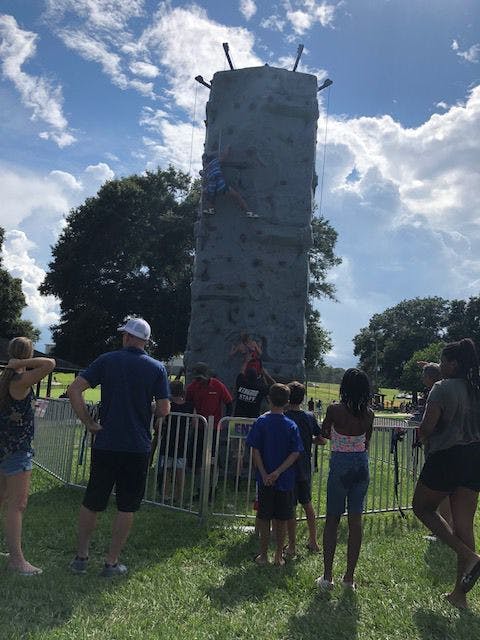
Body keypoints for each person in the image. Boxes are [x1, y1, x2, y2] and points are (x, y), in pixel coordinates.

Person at [68, 317, 170, 577]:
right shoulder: (157, 368)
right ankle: (111, 562)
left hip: (106, 441)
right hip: (137, 445)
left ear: (126, 337)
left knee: (92, 500)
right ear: (146, 342)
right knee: (127, 506)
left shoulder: (107, 360)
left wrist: (89, 422)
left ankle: (81, 557)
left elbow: (74, 389)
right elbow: (163, 409)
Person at [412, 339, 480, 609]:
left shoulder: (442, 388)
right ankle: (459, 595)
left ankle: (469, 555)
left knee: (421, 507)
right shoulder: (477, 389)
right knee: (465, 525)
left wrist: (422, 433)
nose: (440, 367)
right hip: (475, 458)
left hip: (446, 456)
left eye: (442, 362)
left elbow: (428, 427)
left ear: (453, 364)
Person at [0, 337, 55, 575]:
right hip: (17, 451)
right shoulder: (21, 380)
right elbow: (50, 363)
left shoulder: (6, 381)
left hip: (3, 449)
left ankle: (13, 554)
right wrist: (18, 363)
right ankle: (17, 560)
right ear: (28, 354)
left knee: (3, 501)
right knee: (17, 505)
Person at [317, 368, 374, 590]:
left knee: (332, 519)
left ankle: (327, 577)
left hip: (340, 465)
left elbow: (324, 433)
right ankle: (349, 578)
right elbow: (366, 442)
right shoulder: (369, 414)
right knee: (355, 521)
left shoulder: (334, 410)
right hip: (361, 465)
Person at [246, 383, 303, 566]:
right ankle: (279, 555)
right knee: (282, 519)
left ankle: (263, 555)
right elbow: (295, 453)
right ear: (287, 402)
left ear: (268, 399)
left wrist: (264, 473)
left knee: (264, 517)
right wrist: (278, 472)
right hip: (284, 480)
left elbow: (255, 450)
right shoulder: (291, 425)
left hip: (264, 480)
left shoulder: (261, 422)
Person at [283, 382, 326, 557]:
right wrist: (309, 441)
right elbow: (322, 439)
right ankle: (313, 541)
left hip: (286, 467)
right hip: (304, 466)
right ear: (303, 398)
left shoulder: (284, 416)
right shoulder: (309, 417)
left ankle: (292, 546)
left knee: (290, 507)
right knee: (307, 504)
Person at [155, 380, 195, 502]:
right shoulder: (190, 406)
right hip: (182, 441)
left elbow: (158, 424)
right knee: (180, 470)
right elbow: (194, 422)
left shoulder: (168, 406)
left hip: (168, 440)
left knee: (166, 469)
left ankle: (165, 495)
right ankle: (179, 496)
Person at [200, 146, 257, 218]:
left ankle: (211, 209)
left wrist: (201, 172)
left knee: (206, 193)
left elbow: (202, 173)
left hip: (212, 190)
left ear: (205, 161)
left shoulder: (207, 169)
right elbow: (224, 156)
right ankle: (248, 212)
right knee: (237, 196)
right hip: (222, 187)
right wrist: (228, 148)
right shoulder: (214, 163)